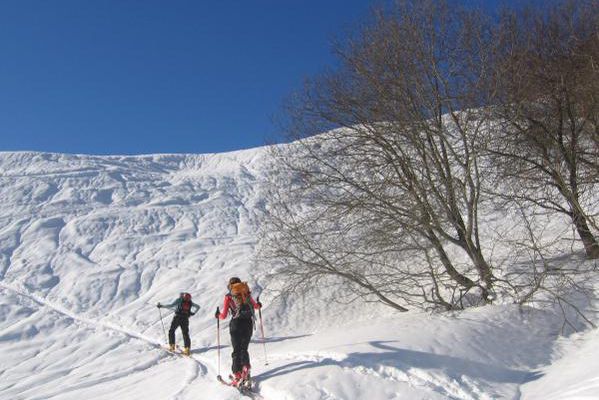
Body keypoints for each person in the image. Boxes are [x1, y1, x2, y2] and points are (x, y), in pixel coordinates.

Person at [215, 277, 262, 387]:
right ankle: (246, 368)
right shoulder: (246, 293)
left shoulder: (229, 296)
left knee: (236, 350)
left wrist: (218, 315)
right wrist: (259, 304)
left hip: (236, 325)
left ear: (230, 285)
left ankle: (237, 374)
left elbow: (224, 315)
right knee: (244, 348)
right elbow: (256, 306)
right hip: (248, 324)